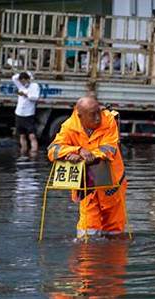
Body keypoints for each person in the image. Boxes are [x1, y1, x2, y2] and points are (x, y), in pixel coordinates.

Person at [47, 96, 128, 239]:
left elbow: (108, 150)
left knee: (114, 229)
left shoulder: (108, 120)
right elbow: (53, 151)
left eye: (98, 112)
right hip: (87, 186)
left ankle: (114, 257)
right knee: (87, 231)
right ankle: (86, 258)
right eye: (93, 115)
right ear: (80, 116)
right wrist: (77, 150)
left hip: (112, 184)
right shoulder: (69, 126)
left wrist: (83, 158)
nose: (98, 118)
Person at [12, 71, 40, 153]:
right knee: (22, 135)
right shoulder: (21, 86)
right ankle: (23, 152)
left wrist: (26, 95)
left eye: (24, 81)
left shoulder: (34, 86)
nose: (22, 83)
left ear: (28, 79)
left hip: (29, 114)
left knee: (32, 136)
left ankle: (34, 152)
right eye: (21, 81)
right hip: (19, 113)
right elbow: (14, 78)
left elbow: (35, 98)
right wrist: (25, 73)